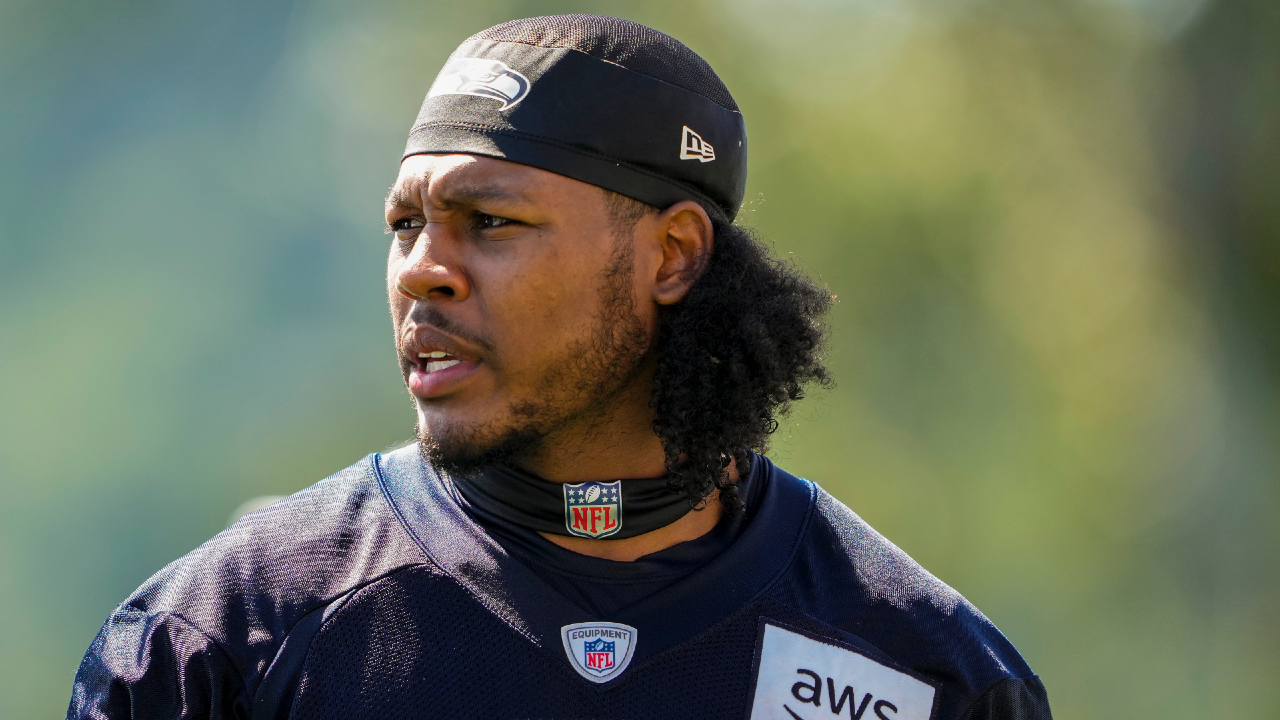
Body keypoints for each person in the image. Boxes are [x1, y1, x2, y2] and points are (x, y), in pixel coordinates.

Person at [67, 14, 1051, 720]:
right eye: (404, 225)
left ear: (672, 256)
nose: (423, 272)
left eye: (489, 222)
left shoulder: (928, 675)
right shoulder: (211, 644)